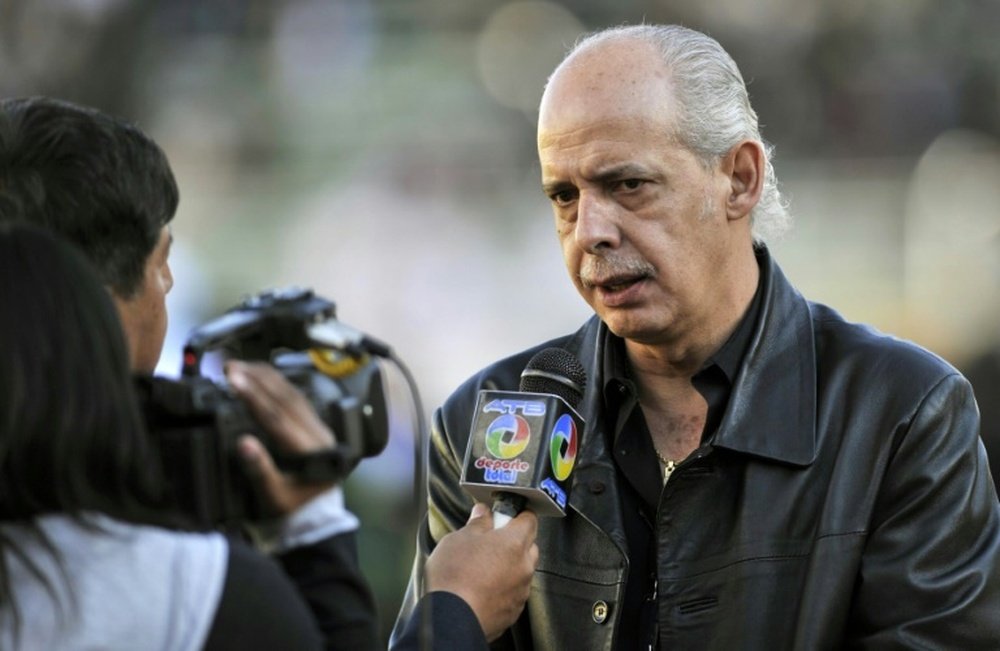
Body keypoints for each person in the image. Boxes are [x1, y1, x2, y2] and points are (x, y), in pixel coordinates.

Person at [394, 24, 1000, 649]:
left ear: (739, 178)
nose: (590, 231)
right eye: (564, 196)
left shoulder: (902, 413)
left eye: (628, 185)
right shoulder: (485, 418)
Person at [0, 96, 538, 650]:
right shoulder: (190, 593)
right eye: (162, 262)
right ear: (84, 296)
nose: (169, 283)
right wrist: (452, 608)